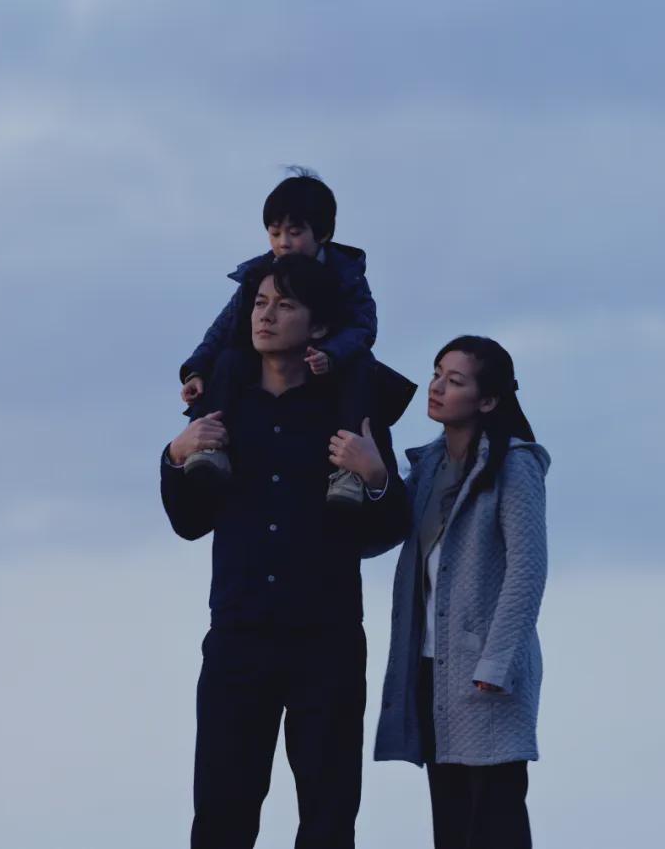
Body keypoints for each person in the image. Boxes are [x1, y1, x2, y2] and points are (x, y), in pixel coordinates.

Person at [161, 253, 410, 849]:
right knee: (221, 814)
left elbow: (386, 530)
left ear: (319, 325)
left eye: (285, 304)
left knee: (328, 818)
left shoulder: (350, 410)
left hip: (327, 641)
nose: (265, 316)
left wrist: (376, 476)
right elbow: (189, 523)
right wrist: (175, 455)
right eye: (260, 302)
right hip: (238, 637)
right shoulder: (222, 406)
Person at [371, 336, 550, 849]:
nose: (436, 387)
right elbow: (380, 539)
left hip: (487, 673)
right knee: (450, 821)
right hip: (432, 669)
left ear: (487, 400)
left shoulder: (515, 464)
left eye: (454, 381)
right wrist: (374, 476)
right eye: (436, 374)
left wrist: (497, 663)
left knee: (494, 819)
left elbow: (527, 570)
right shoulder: (428, 466)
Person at [177, 167, 414, 506]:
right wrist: (196, 370)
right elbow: (223, 328)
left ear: (323, 233)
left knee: (361, 369)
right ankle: (208, 446)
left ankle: (348, 470)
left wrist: (332, 353)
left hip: (332, 362)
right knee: (229, 358)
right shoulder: (261, 273)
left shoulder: (345, 273)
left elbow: (363, 326)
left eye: (295, 232)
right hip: (266, 365)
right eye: (274, 233)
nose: (283, 243)